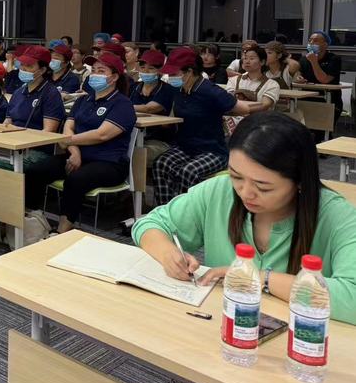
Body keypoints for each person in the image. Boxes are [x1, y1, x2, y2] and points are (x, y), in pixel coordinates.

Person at [134, 111, 356, 324]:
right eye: (236, 176)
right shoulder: (219, 191)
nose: (245, 193)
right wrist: (168, 253)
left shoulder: (337, 216)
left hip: (304, 339)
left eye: (263, 187)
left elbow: (352, 298)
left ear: (299, 181)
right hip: (221, 327)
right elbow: (150, 224)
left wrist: (259, 278)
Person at [152, 48, 251, 205]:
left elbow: (243, 109)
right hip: (185, 147)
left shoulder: (210, 91)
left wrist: (221, 110)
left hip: (213, 151)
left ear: (189, 72)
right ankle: (165, 210)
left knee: (187, 172)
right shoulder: (178, 89)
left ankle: (187, 213)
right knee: (160, 164)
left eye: (174, 74)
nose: (170, 78)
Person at [53, 52, 137, 233]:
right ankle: (29, 218)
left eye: (101, 71)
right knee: (39, 168)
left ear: (114, 77)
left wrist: (67, 141)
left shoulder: (122, 104)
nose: (95, 75)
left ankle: (62, 230)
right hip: (78, 156)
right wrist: (74, 151)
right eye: (94, 71)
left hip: (109, 163)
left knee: (75, 180)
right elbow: (68, 127)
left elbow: (101, 135)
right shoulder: (84, 99)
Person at [0, 45, 66, 205]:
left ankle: (6, 211)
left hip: (37, 150)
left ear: (42, 70)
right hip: (12, 145)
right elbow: (7, 123)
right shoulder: (18, 93)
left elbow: (48, 132)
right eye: (22, 65)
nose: (23, 69)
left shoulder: (51, 94)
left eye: (29, 66)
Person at [129, 50, 176, 166]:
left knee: (133, 154)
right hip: (134, 137)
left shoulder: (167, 90)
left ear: (160, 71)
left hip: (159, 141)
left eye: (151, 68)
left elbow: (149, 108)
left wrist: (124, 106)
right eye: (142, 67)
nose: (145, 71)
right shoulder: (134, 87)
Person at [295, 30, 343, 128]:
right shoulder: (304, 59)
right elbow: (298, 74)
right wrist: (298, 78)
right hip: (307, 99)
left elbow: (324, 80)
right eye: (310, 40)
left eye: (315, 40)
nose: (311, 43)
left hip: (328, 100)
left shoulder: (334, 59)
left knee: (322, 132)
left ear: (325, 45)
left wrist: (314, 62)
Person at [226, 47, 280, 117]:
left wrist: (237, 107)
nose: (247, 61)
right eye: (245, 58)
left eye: (251, 58)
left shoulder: (272, 84)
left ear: (262, 62)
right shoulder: (234, 80)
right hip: (233, 119)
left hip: (258, 121)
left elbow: (264, 105)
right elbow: (228, 100)